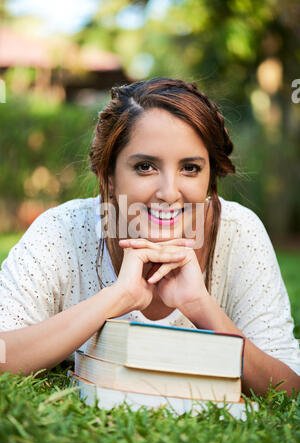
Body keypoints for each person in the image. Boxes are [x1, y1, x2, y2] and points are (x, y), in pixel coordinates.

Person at [0, 77, 299, 397]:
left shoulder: (240, 232)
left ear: (210, 174)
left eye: (190, 168)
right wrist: (117, 298)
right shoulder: (61, 231)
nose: (169, 193)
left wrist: (200, 305)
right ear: (109, 176)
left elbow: (289, 386)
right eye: (145, 166)